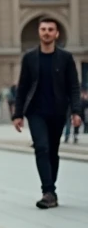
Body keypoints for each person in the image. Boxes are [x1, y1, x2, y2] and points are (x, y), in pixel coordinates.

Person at [12, 18, 84, 209]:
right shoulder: (29, 58)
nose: (46, 32)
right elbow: (23, 87)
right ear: (39, 32)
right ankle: (48, 191)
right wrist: (17, 114)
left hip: (58, 111)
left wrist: (76, 111)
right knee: (41, 147)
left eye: (50, 29)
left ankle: (52, 190)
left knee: (52, 151)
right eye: (43, 29)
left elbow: (73, 87)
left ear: (56, 33)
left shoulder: (66, 58)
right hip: (35, 112)